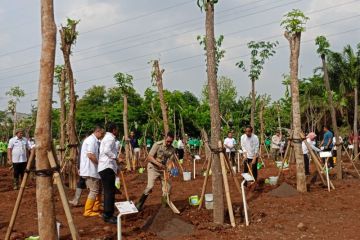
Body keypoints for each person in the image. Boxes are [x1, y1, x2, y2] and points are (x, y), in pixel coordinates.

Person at [135, 132, 176, 211]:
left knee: (167, 188)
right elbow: (149, 157)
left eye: (171, 142)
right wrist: (158, 164)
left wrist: (169, 170)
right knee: (150, 186)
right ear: (165, 138)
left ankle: (164, 207)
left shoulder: (172, 149)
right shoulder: (157, 145)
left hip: (163, 169)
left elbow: (170, 162)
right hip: (153, 168)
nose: (169, 143)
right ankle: (139, 204)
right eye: (167, 141)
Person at [80, 126, 104, 217]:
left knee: (98, 189)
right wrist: (99, 164)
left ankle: (96, 207)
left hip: (92, 170)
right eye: (101, 133)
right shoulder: (91, 141)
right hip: (90, 170)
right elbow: (90, 155)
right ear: (97, 131)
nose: (102, 135)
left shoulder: (93, 140)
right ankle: (88, 210)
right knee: (94, 190)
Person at [98, 123, 120, 224]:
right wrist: (116, 157)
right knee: (109, 192)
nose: (118, 131)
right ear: (114, 130)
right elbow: (107, 151)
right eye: (117, 129)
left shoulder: (107, 138)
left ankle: (108, 213)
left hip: (105, 167)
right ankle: (108, 215)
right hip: (107, 167)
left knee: (109, 191)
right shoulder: (110, 138)